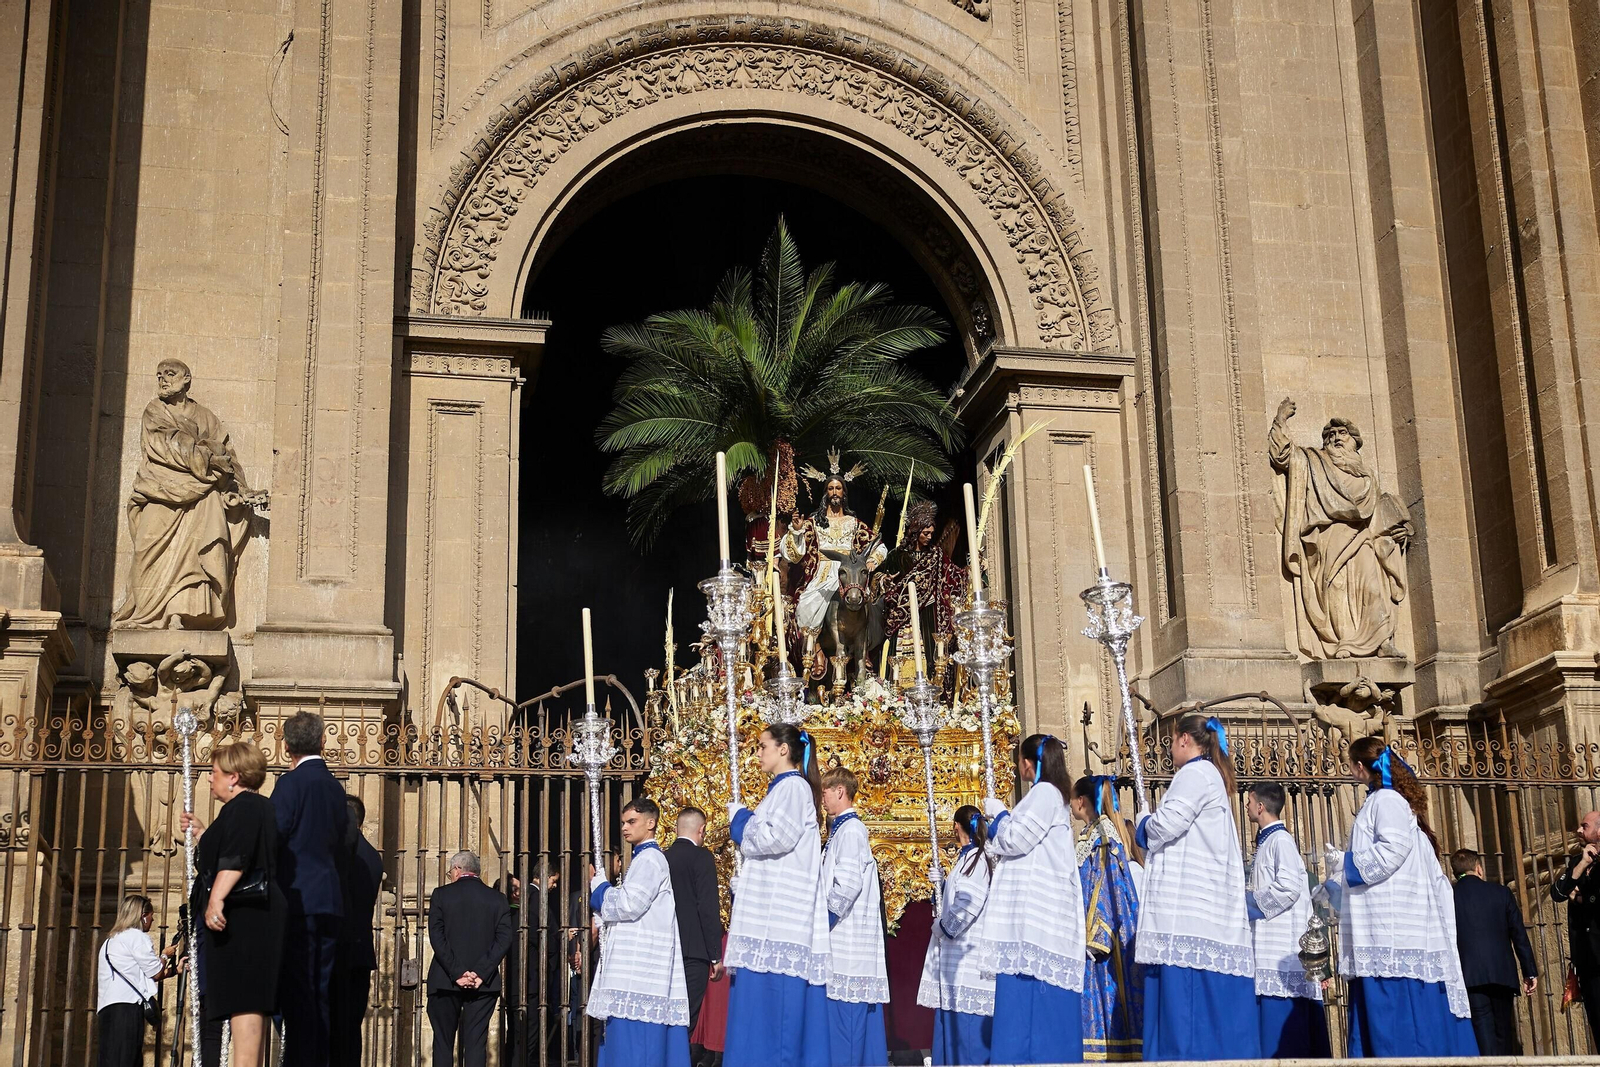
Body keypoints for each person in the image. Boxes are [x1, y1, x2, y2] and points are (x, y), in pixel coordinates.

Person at [1317, 737, 1476, 1055]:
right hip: (1381, 931)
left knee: (1399, 1026)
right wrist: (1333, 885)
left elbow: (1392, 851)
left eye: (1350, 766)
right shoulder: (1381, 799)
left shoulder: (1386, 800)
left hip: (1391, 932)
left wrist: (1344, 862)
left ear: (1360, 767)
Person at [1133, 715, 1260, 1060]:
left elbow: (1167, 824)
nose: (1170, 748)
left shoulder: (1194, 774)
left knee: (1185, 1020)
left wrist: (1143, 823)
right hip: (1200, 917)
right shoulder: (1209, 776)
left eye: (1172, 741)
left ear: (1185, 740)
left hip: (1188, 918)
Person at [723, 722, 831, 1067]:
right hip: (768, 923)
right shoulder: (783, 790)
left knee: (776, 1020)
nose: (757, 752)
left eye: (761, 745)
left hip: (780, 926)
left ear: (784, 749)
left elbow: (775, 838)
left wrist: (740, 822)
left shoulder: (793, 788)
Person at [976, 734, 1086, 1064]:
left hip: (1034, 924)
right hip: (1029, 921)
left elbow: (1015, 839)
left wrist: (999, 816)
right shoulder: (1051, 795)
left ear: (1028, 763)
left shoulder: (1045, 793)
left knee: (1034, 1013)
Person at [182, 741, 289, 1067]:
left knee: (246, 1003)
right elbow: (229, 850)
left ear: (234, 776)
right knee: (245, 1005)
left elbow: (236, 858)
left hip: (247, 919)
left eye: (215, 772)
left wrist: (215, 899)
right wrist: (202, 833)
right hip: (249, 917)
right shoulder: (248, 808)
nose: (210, 778)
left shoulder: (245, 807)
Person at [270, 710, 349, 1067]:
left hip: (297, 899)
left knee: (298, 992)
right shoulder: (335, 788)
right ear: (322, 741)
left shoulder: (289, 785)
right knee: (319, 992)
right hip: (329, 899)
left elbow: (275, 837)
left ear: (286, 746)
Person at [588, 797, 692, 1067]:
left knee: (638, 1047)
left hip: (640, 974)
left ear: (650, 823)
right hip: (633, 971)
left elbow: (630, 905)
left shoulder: (650, 859)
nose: (624, 828)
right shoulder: (642, 860)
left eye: (631, 821)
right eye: (623, 822)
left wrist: (600, 890)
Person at [1243, 783, 1329, 1058]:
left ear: (1260, 807)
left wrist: (1250, 905)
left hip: (1278, 949)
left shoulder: (1280, 840)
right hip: (1268, 946)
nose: (1245, 807)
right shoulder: (1269, 840)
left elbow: (1289, 887)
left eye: (1248, 802)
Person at [1068, 776, 1143, 1062]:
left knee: (1106, 1001)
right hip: (1092, 933)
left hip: (1102, 940)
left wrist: (1095, 937)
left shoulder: (1103, 838)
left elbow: (1105, 887)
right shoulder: (1093, 835)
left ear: (1081, 801)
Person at [818, 766, 889, 1067]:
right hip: (843, 940)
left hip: (846, 942)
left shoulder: (850, 830)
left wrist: (824, 922)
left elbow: (847, 884)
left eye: (825, 792)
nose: (822, 798)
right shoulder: (841, 831)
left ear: (839, 791)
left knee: (846, 1023)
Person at [916, 805, 994, 1066]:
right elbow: (955, 898)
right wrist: (941, 887)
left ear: (956, 827)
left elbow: (968, 904)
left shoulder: (978, 859)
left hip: (967, 962)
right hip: (954, 963)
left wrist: (944, 927)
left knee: (968, 1043)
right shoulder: (966, 859)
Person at [429, 850, 514, 1067]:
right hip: (483, 984)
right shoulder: (497, 899)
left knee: (443, 1042)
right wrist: (480, 972)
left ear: (457, 869)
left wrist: (457, 972)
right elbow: (504, 939)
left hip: (445, 980)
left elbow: (437, 938)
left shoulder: (441, 895)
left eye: (450, 873)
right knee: (476, 1044)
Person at [1452, 848, 1537, 1055]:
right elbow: (1518, 935)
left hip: (1469, 976)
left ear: (1455, 873)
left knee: (1482, 1031)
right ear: (1479, 868)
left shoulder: (1449, 896)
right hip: (1502, 974)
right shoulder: (1501, 892)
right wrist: (1529, 971)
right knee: (1503, 1030)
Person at [96, 894, 181, 1067]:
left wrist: (173, 971)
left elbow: (137, 974)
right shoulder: (136, 936)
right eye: (151, 914)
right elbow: (155, 972)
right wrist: (165, 955)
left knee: (110, 1060)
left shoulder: (109, 942)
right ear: (142, 916)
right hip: (127, 1009)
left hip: (107, 1010)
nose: (153, 918)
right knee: (128, 1059)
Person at [332, 794, 384, 1067]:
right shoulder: (373, 856)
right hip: (361, 949)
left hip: (335, 949)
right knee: (351, 1028)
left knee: (328, 1028)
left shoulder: (339, 852)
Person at [666, 807, 724, 1041]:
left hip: (666, 949)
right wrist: (715, 956)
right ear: (702, 830)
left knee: (666, 1015)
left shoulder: (662, 857)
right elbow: (707, 907)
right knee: (686, 1018)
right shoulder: (702, 857)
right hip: (694, 952)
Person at [1552, 810, 1600, 1042]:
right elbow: (1558, 893)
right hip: (1588, 961)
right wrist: (1582, 863)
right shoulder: (1576, 862)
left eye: (1585, 826)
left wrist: (1583, 898)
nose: (1579, 831)